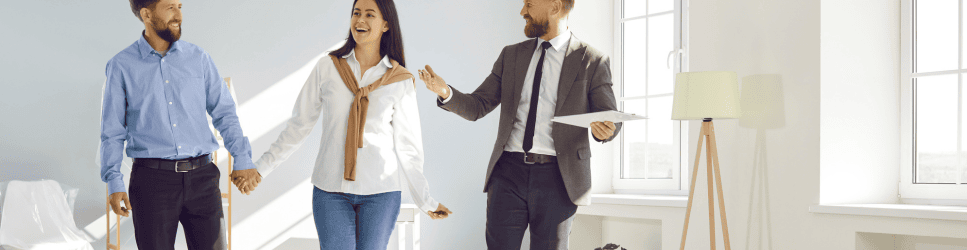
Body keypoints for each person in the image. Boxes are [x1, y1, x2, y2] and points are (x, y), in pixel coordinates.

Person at [238, 0, 452, 249]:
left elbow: (409, 148)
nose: (360, 20)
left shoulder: (399, 80)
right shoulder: (328, 67)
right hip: (330, 191)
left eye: (369, 15)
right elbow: (299, 125)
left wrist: (425, 200)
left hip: (381, 193)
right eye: (356, 13)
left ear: (386, 25)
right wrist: (260, 169)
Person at [418, 0, 621, 249]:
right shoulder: (511, 55)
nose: (522, 11)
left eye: (529, 4)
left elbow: (609, 115)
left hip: (560, 178)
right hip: (508, 173)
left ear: (555, 7)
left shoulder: (592, 60)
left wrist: (606, 130)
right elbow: (478, 105)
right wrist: (445, 92)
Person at [99, 0, 260, 248]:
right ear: (146, 14)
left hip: (203, 178)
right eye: (170, 7)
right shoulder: (121, 66)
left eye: (180, 6)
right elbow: (112, 131)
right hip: (152, 182)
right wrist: (114, 181)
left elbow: (225, 113)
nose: (178, 15)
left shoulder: (199, 58)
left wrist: (243, 158)